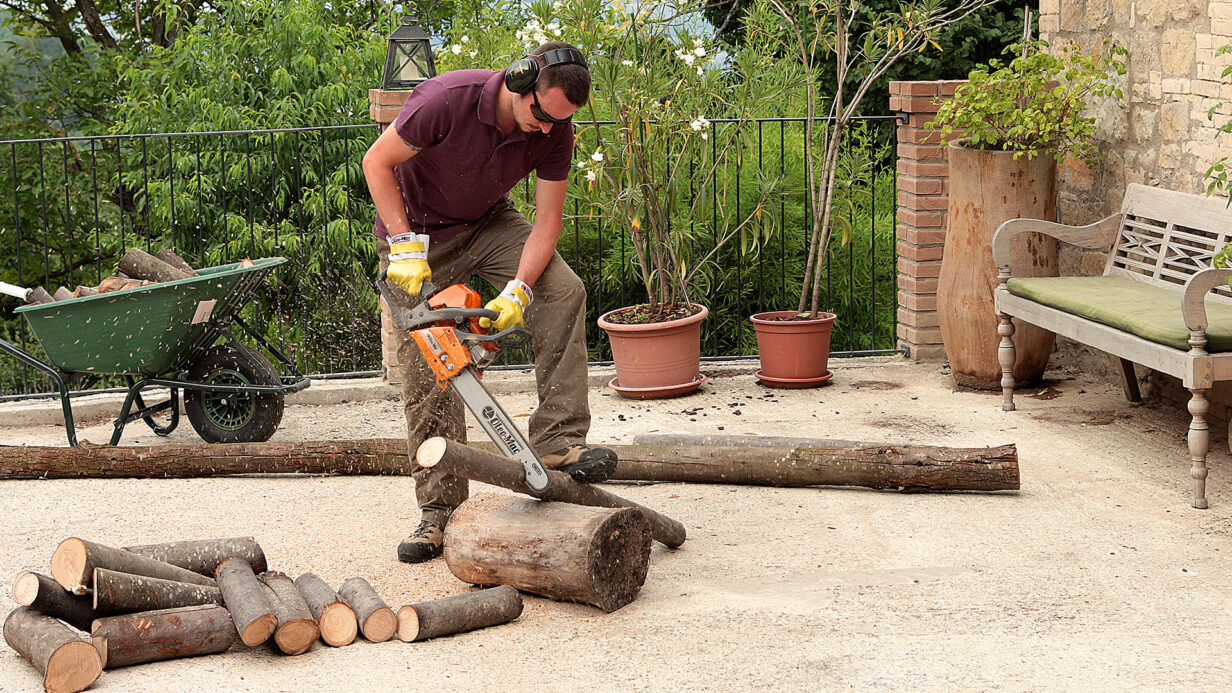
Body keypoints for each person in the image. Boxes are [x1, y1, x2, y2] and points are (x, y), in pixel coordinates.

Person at [362, 41, 617, 564]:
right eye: (541, 115)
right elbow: (376, 162)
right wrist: (404, 244)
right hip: (416, 232)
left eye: (559, 121)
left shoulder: (556, 129)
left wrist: (519, 288)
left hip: (487, 223)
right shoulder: (445, 99)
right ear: (520, 82)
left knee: (562, 291)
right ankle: (439, 512)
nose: (547, 129)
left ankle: (557, 441)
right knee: (428, 366)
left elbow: (547, 221)